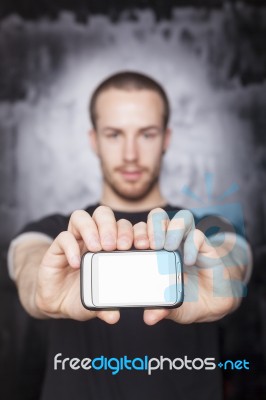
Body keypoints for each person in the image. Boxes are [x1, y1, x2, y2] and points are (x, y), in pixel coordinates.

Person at [8, 71, 252, 400]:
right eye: (114, 134)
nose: (130, 154)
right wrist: (41, 287)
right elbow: (29, 264)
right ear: (94, 140)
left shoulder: (212, 230)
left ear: (166, 139)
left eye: (147, 134)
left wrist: (225, 278)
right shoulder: (52, 233)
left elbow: (232, 258)